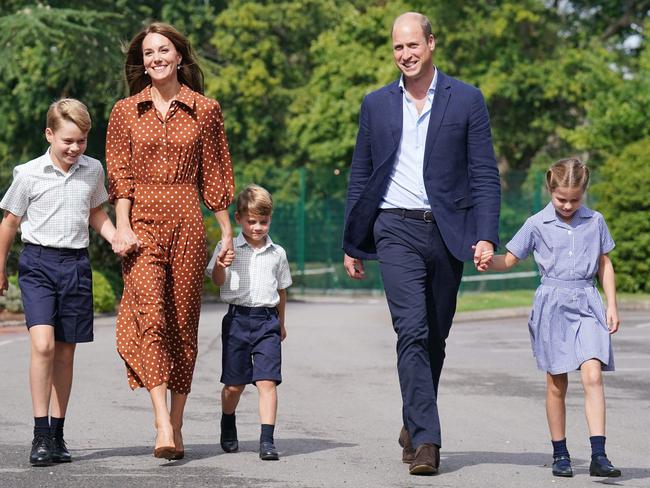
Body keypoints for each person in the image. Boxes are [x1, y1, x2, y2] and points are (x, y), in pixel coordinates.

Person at [342, 12, 501, 475]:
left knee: (435, 335)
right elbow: (361, 175)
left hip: (449, 231)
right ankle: (428, 442)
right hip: (394, 228)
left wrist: (486, 234)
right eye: (397, 48)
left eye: (413, 45)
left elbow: (484, 174)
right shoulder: (376, 105)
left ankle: (414, 420)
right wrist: (354, 239)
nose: (405, 55)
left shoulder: (467, 99)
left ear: (431, 43)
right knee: (410, 329)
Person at [106, 22, 235, 460]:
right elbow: (119, 177)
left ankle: (177, 423)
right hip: (141, 223)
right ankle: (161, 420)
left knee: (183, 324)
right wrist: (121, 226)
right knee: (152, 317)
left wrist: (226, 230)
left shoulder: (206, 109)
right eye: (147, 53)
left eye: (163, 50)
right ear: (141, 63)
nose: (156, 58)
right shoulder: (125, 111)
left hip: (187, 221)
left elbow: (215, 174)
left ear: (180, 56)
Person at [477, 158, 621, 478]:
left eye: (575, 199)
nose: (568, 205)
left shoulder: (595, 221)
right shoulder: (535, 224)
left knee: (593, 374)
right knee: (557, 382)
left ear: (583, 193)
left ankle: (599, 454)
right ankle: (561, 453)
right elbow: (510, 260)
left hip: (587, 302)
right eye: (561, 199)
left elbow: (604, 264)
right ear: (550, 190)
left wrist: (612, 304)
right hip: (552, 304)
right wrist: (488, 260)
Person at [0, 99, 116, 466]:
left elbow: (96, 212)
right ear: (49, 134)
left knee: (66, 352)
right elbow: (9, 223)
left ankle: (58, 433)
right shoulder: (29, 173)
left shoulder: (92, 169)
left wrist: (116, 237)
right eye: (67, 140)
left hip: (76, 265)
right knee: (44, 345)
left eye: (81, 140)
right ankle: (39, 435)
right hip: (38, 264)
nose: (74, 148)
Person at [207, 184, 292, 461]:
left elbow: (281, 290)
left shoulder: (277, 253)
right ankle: (228, 420)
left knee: (267, 381)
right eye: (251, 221)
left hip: (267, 321)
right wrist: (221, 264)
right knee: (234, 386)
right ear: (239, 219)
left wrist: (281, 322)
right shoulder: (227, 247)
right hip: (237, 321)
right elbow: (216, 281)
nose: (257, 227)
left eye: (263, 222)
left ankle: (266, 440)